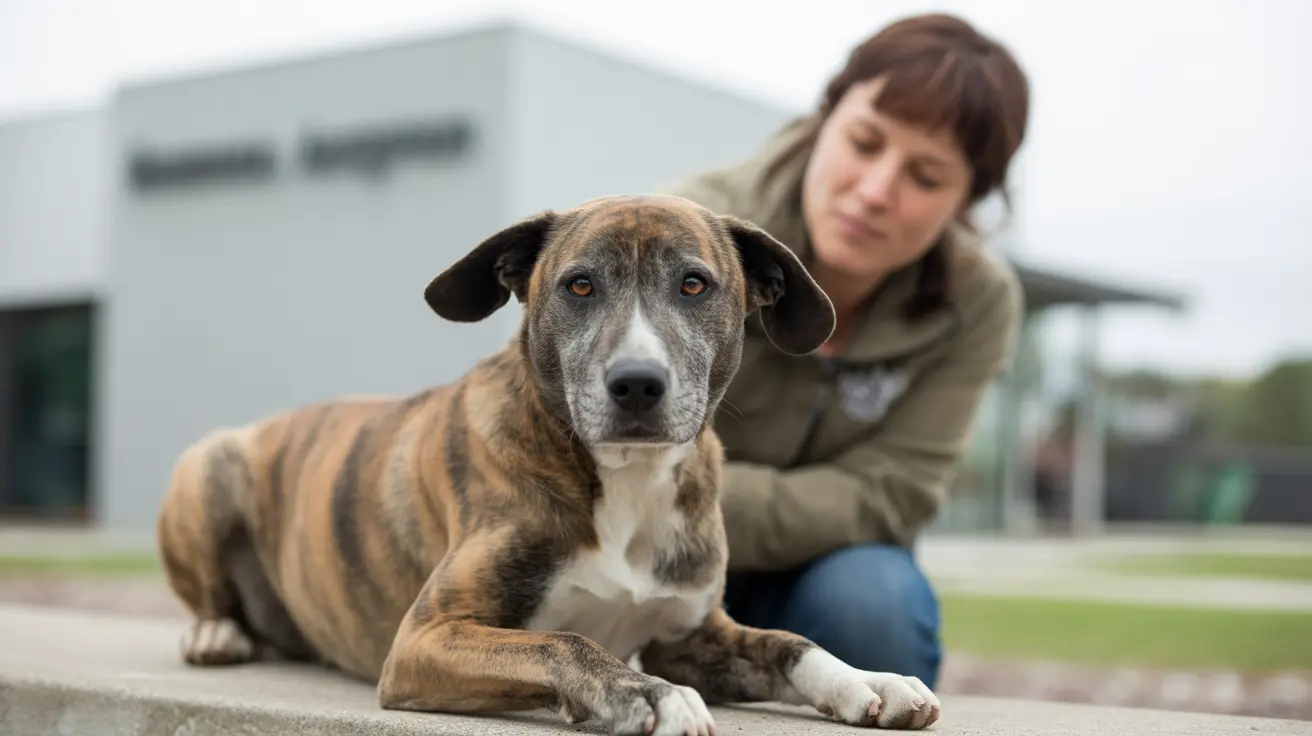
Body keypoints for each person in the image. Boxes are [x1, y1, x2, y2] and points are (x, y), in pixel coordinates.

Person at [660, 12, 1030, 689]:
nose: (876, 191)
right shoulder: (689, 238)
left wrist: (681, 489)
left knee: (876, 604)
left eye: (925, 177)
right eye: (864, 142)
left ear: (965, 198)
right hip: (646, 550)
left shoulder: (979, 303)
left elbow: (894, 493)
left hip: (819, 568)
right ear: (823, 118)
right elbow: (579, 433)